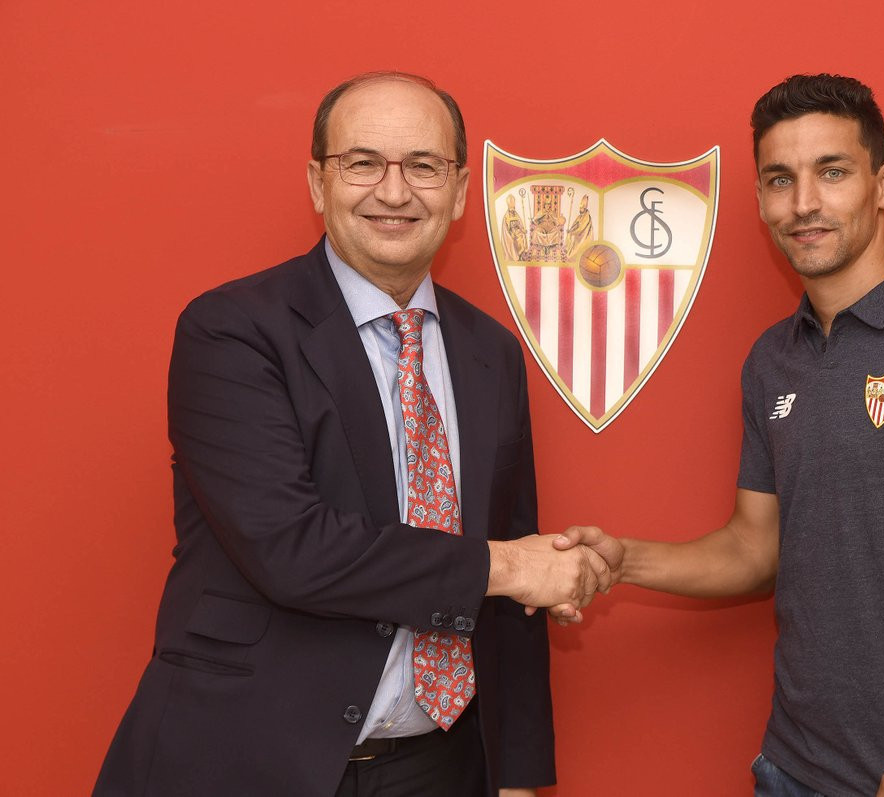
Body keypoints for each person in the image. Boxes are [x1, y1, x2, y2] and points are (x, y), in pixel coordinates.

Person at [94, 71, 612, 797]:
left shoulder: (490, 351)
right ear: (318, 182)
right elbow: (290, 547)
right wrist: (509, 566)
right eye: (363, 162)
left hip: (440, 767)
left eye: (423, 166)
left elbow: (514, 572)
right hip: (246, 758)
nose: (394, 192)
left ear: (461, 191)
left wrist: (518, 777)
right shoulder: (231, 331)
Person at [558, 74, 884, 797]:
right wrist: (624, 559)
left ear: (883, 184)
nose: (803, 203)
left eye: (832, 172)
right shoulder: (772, 360)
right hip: (792, 768)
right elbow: (754, 546)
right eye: (780, 179)